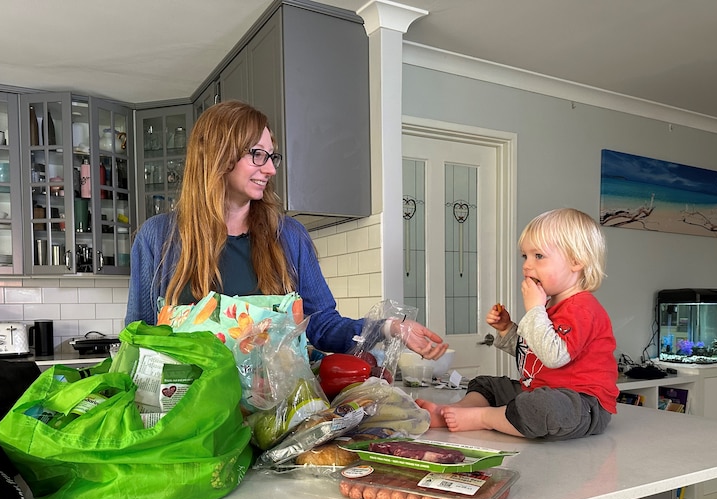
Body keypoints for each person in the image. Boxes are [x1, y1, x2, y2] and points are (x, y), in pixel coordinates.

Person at [125, 100, 447, 359]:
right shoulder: (158, 239)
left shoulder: (288, 237)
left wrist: (389, 328)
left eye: (271, 156)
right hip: (191, 416)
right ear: (219, 155)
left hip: (274, 418)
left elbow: (320, 324)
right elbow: (138, 340)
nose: (270, 168)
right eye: (257, 155)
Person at [416, 208, 618, 440]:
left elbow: (554, 357)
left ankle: (483, 417)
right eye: (525, 256)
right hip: (538, 389)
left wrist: (534, 309)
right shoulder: (549, 306)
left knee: (541, 407)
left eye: (538, 256)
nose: (526, 265)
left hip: (582, 404)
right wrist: (507, 329)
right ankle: (455, 412)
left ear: (576, 261)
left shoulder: (582, 308)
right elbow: (534, 355)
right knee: (487, 384)